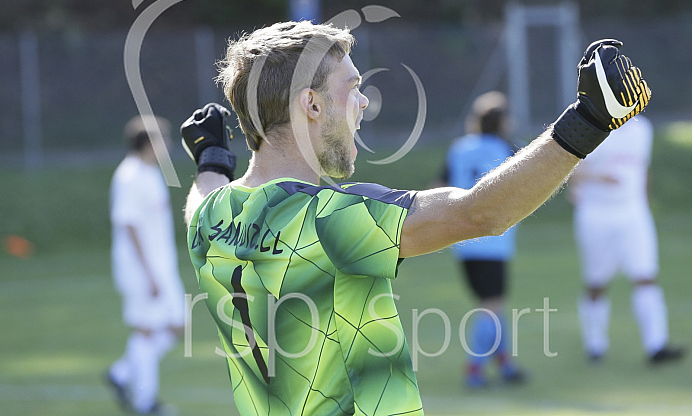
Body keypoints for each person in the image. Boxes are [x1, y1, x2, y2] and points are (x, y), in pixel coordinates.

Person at [180, 22, 651, 415]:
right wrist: (588, 120)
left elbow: (202, 198)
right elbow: (479, 213)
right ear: (312, 104)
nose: (363, 103)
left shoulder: (211, 220)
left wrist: (211, 161)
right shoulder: (328, 220)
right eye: (354, 89)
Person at [569, 115, 684, 365]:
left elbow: (643, 169)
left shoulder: (642, 128)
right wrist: (598, 179)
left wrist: (645, 204)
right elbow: (571, 170)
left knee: (645, 275)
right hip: (596, 215)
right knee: (596, 283)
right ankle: (595, 345)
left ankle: (656, 345)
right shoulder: (591, 126)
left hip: (633, 214)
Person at [441, 91, 525, 387]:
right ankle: (474, 370)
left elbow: (438, 187)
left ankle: (505, 365)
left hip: (462, 241)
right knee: (492, 306)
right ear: (503, 122)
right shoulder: (507, 149)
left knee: (493, 303)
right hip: (493, 240)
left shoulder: (459, 148)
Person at [106, 115, 185, 415]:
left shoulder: (151, 173)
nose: (168, 146)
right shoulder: (129, 176)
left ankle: (122, 373)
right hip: (142, 270)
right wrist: (149, 274)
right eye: (163, 140)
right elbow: (129, 226)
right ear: (148, 143)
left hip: (161, 266)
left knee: (177, 325)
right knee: (147, 332)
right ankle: (145, 403)